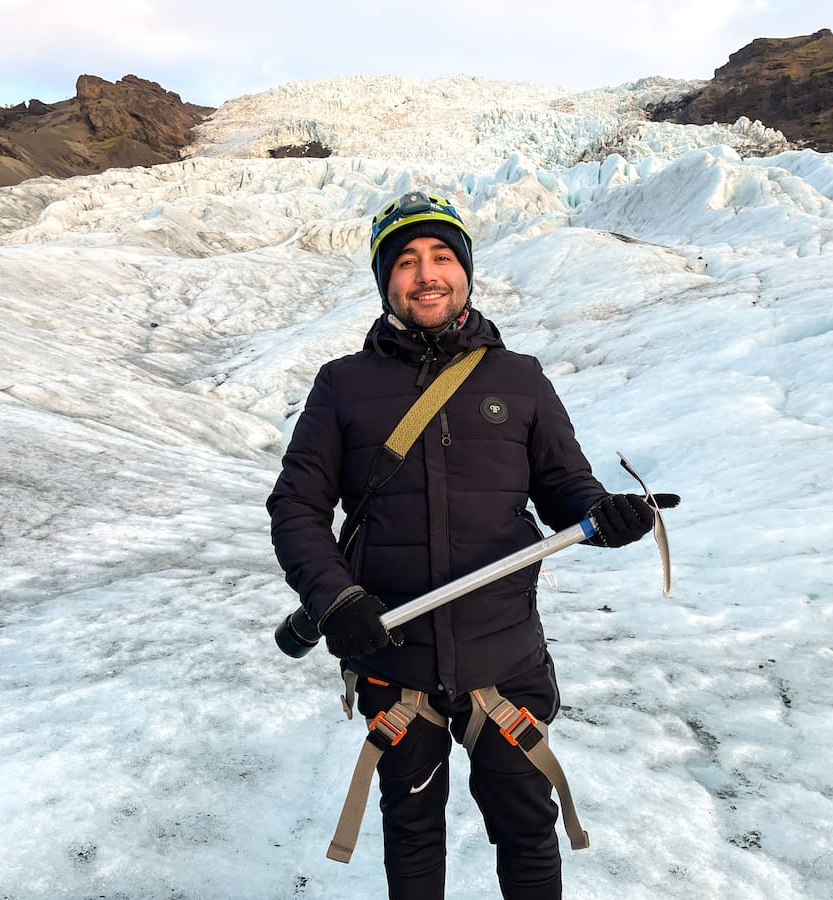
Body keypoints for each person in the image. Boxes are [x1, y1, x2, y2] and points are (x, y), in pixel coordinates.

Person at [267, 190, 677, 900]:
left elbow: (564, 488)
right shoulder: (342, 386)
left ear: (465, 271)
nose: (427, 275)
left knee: (525, 828)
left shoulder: (520, 379)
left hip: (505, 662)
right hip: (395, 664)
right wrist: (335, 599)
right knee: (414, 832)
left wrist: (602, 514)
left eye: (442, 257)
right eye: (406, 261)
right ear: (385, 281)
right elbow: (296, 506)